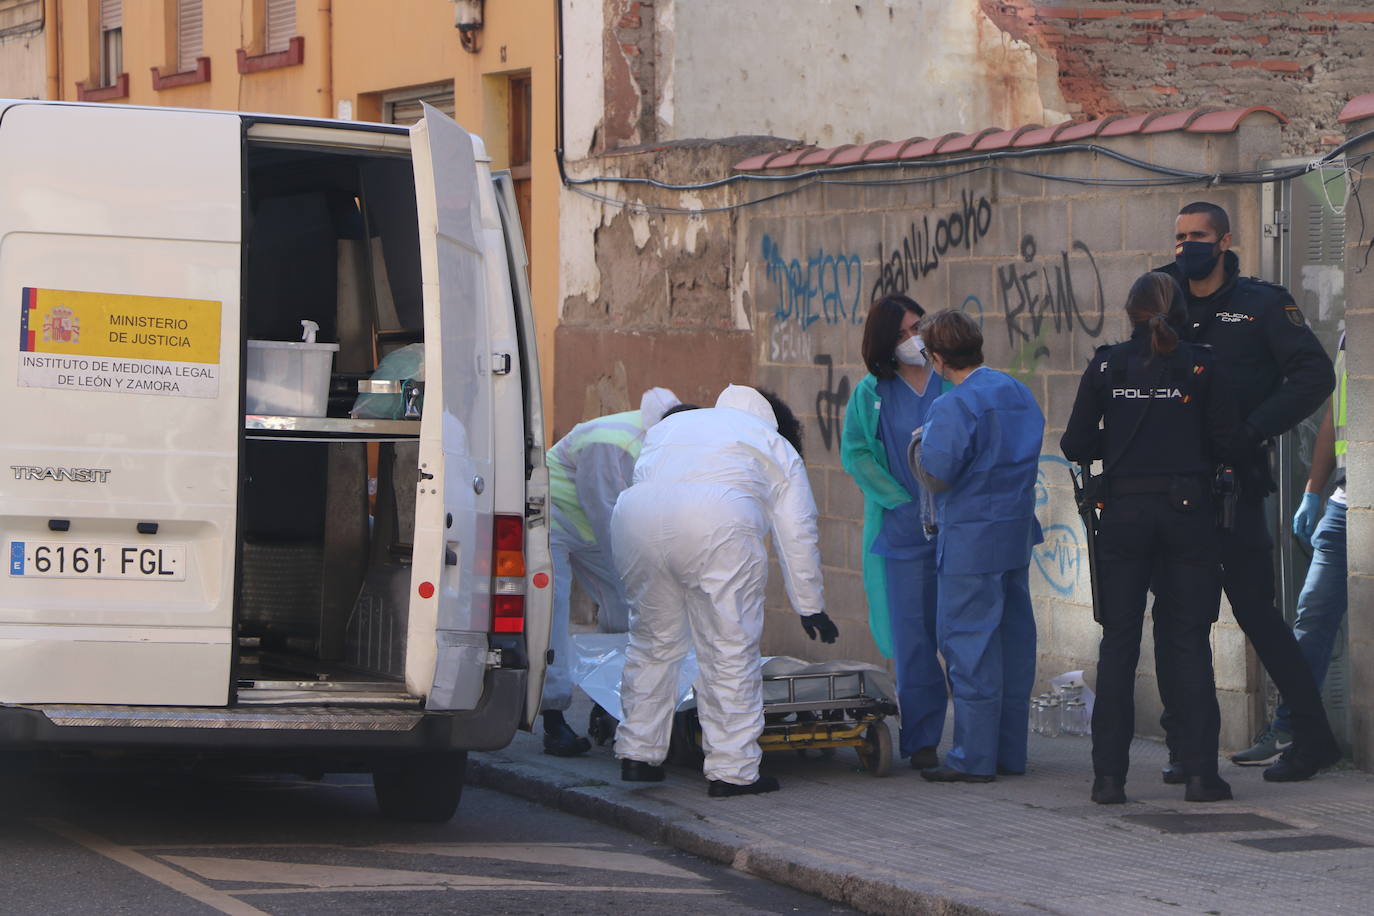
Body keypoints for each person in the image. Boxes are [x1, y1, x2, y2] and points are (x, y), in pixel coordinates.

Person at [1153, 201, 1340, 783]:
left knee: (1259, 615)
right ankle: (1185, 747)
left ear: (1225, 241)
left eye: (1199, 235)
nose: (1187, 246)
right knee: (1177, 620)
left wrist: (1254, 429)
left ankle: (1312, 739)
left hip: (1235, 485)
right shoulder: (1162, 295)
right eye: (1180, 236)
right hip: (1171, 488)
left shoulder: (1261, 303)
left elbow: (1315, 375)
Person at [1061, 273, 1240, 804]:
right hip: (1188, 515)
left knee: (1118, 643)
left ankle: (1108, 779)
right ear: (1179, 313)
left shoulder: (1107, 365)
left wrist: (1116, 437)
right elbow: (1228, 441)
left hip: (1122, 514)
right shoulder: (1202, 364)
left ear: (1131, 313)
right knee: (1188, 640)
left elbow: (1075, 444)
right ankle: (1201, 775)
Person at [611, 385, 837, 797]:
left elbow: (645, 475)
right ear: (776, 420)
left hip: (635, 519)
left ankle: (637, 754)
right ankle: (732, 771)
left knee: (652, 644)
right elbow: (797, 530)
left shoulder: (676, 425)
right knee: (729, 650)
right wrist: (810, 605)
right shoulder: (773, 443)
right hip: (717, 523)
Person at [910, 310, 1043, 783]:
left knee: (970, 647)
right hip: (1014, 534)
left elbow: (938, 473)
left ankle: (973, 758)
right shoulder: (1016, 392)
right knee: (1012, 645)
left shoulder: (954, 404)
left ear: (938, 358)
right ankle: (1009, 753)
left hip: (970, 540)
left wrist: (918, 445)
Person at [540, 386, 681, 756]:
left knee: (628, 607)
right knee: (552, 612)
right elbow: (606, 513)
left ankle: (610, 701)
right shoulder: (610, 443)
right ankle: (553, 719)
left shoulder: (671, 441)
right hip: (551, 518)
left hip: (593, 525)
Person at [841, 293, 949, 770]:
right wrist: (900, 501)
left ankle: (975, 742)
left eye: (917, 327)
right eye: (903, 333)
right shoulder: (872, 393)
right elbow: (857, 452)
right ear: (885, 341)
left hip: (957, 528)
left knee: (963, 636)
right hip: (904, 532)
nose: (913, 339)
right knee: (913, 642)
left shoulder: (950, 379)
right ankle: (922, 741)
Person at [1233, 331, 1348, 768]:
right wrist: (1313, 491)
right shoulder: (1351, 336)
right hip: (1344, 502)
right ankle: (1290, 726)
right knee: (1312, 614)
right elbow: (1335, 417)